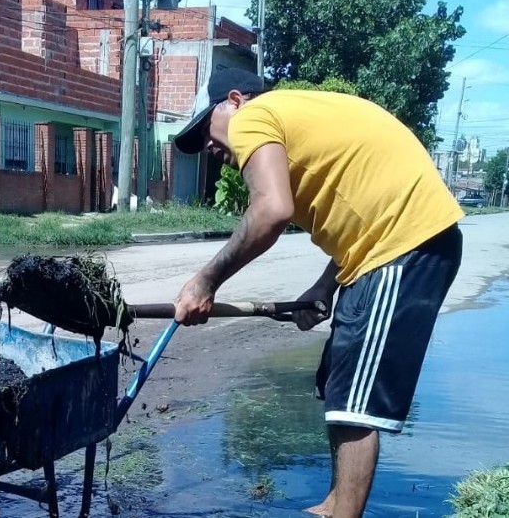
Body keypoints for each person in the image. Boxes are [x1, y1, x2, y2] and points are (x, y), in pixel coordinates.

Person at [171, 67, 463, 518]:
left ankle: (343, 514)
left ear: (233, 100)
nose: (208, 148)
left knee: (356, 405)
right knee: (339, 382)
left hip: (404, 244)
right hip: (386, 245)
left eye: (204, 131)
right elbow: (361, 204)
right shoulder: (295, 116)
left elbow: (271, 210)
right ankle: (333, 504)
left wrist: (205, 281)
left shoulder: (255, 115)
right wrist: (324, 288)